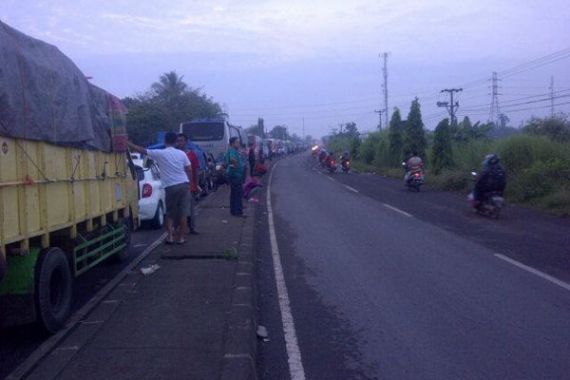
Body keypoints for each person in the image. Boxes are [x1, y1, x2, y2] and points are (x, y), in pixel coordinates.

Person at [128, 132, 192, 244]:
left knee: (170, 214)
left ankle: (170, 237)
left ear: (165, 141)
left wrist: (128, 143)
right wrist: (189, 183)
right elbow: (189, 169)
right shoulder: (182, 154)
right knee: (183, 213)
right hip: (183, 184)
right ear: (176, 142)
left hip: (170, 186)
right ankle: (181, 238)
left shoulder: (160, 153)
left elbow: (142, 150)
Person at [176, 134, 200, 235]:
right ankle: (178, 228)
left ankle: (192, 228)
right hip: (177, 185)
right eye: (178, 141)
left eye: (181, 140)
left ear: (186, 142)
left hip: (190, 186)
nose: (179, 143)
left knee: (191, 209)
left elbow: (196, 170)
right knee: (178, 208)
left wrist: (197, 184)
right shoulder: (174, 154)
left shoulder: (191, 154)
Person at [224, 137, 245, 217]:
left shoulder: (232, 150)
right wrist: (235, 165)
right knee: (238, 194)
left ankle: (233, 211)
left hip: (234, 175)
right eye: (237, 142)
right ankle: (238, 212)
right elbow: (232, 160)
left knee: (234, 194)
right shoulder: (232, 150)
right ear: (232, 143)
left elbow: (226, 161)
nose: (238, 144)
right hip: (235, 176)